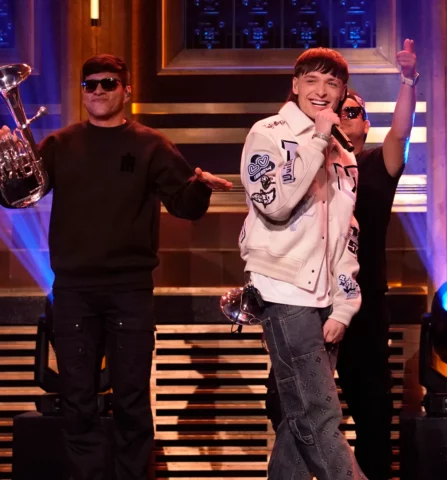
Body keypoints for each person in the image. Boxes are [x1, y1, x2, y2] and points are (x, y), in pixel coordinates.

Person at [0, 54, 232, 480]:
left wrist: (201, 186)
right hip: (73, 293)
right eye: (90, 85)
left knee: (131, 402)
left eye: (108, 83)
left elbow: (185, 206)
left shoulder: (151, 145)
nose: (99, 91)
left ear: (126, 90)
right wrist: (9, 163)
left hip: (130, 292)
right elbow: (18, 197)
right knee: (77, 403)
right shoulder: (60, 144)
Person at [263, 39, 419, 480]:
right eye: (338, 106)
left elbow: (401, 134)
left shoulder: (375, 165)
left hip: (361, 303)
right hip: (305, 298)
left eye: (353, 111)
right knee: (288, 403)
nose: (343, 113)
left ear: (366, 124)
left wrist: (408, 81)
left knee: (371, 408)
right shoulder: (306, 154)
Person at [238, 47, 365, 479]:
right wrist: (316, 141)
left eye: (332, 83)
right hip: (283, 289)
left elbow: (346, 236)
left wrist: (344, 306)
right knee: (319, 412)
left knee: (299, 420)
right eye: (312, 80)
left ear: (342, 92)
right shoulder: (267, 134)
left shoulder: (345, 154)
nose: (322, 91)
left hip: (326, 300)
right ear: (295, 86)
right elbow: (275, 204)